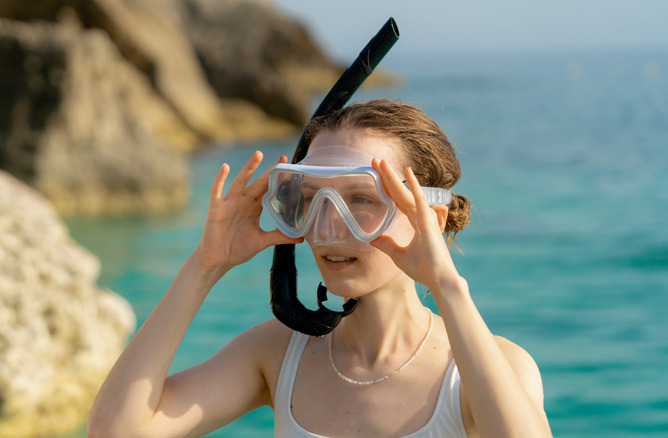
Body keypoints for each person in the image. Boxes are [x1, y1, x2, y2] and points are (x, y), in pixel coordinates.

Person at [87, 99, 552, 437]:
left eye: (362, 200)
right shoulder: (277, 353)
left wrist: (446, 284)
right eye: (311, 200)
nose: (328, 227)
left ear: (426, 218)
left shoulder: (490, 369)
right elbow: (115, 431)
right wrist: (205, 266)